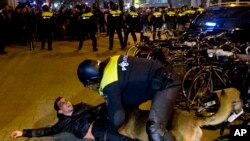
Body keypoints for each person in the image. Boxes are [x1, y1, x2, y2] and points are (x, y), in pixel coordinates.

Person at [77, 55, 181, 141]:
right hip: (160, 76)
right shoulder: (111, 60)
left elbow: (118, 119)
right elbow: (130, 86)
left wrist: (109, 132)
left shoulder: (108, 83)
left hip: (166, 84)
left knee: (155, 129)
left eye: (90, 84)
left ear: (92, 79)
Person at [10, 96, 135, 141]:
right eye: (62, 103)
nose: (67, 102)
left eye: (66, 100)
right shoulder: (63, 123)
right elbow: (45, 131)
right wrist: (23, 132)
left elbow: (98, 111)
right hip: (97, 131)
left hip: (103, 122)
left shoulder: (82, 106)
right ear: (60, 110)